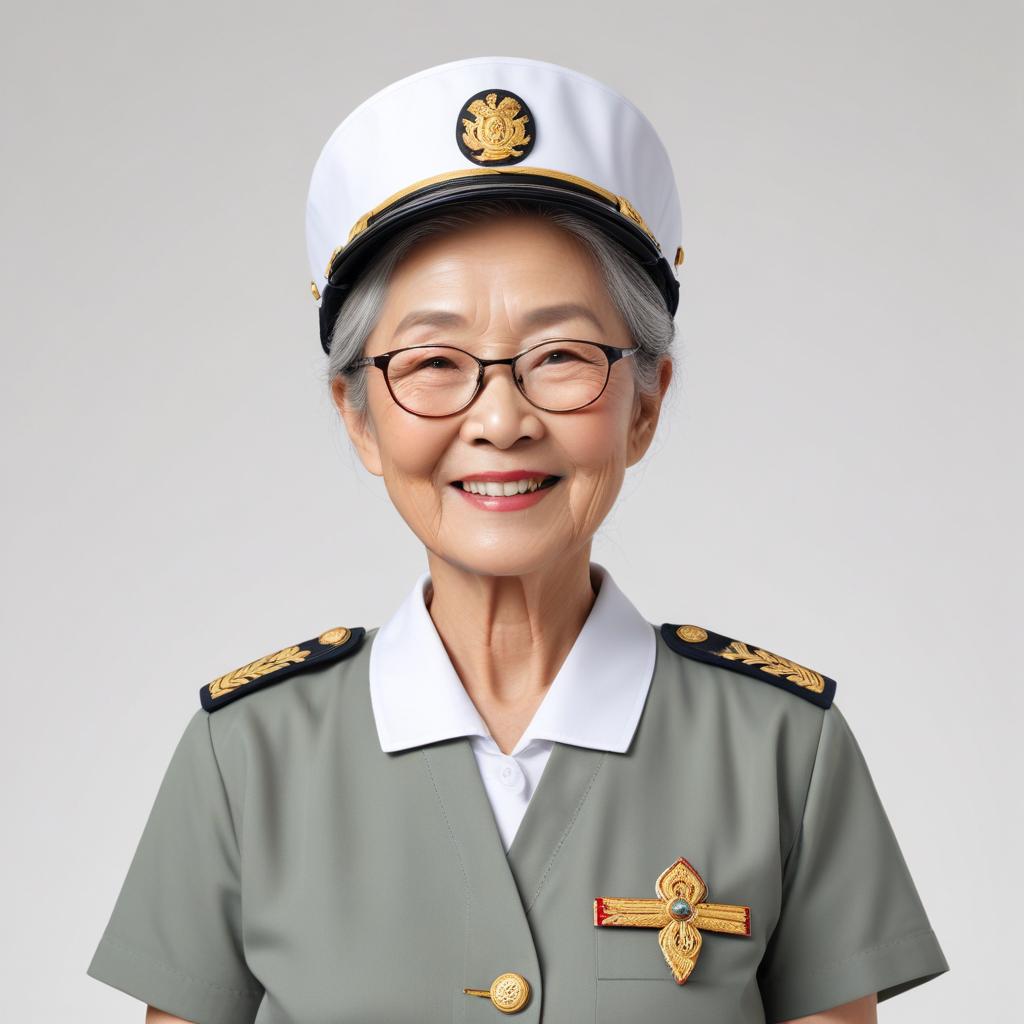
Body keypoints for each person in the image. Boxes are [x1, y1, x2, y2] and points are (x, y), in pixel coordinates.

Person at [86, 56, 949, 1024]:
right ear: (359, 417)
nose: (500, 420)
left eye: (561, 356)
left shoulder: (783, 749)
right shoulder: (246, 757)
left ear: (644, 405)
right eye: (434, 362)